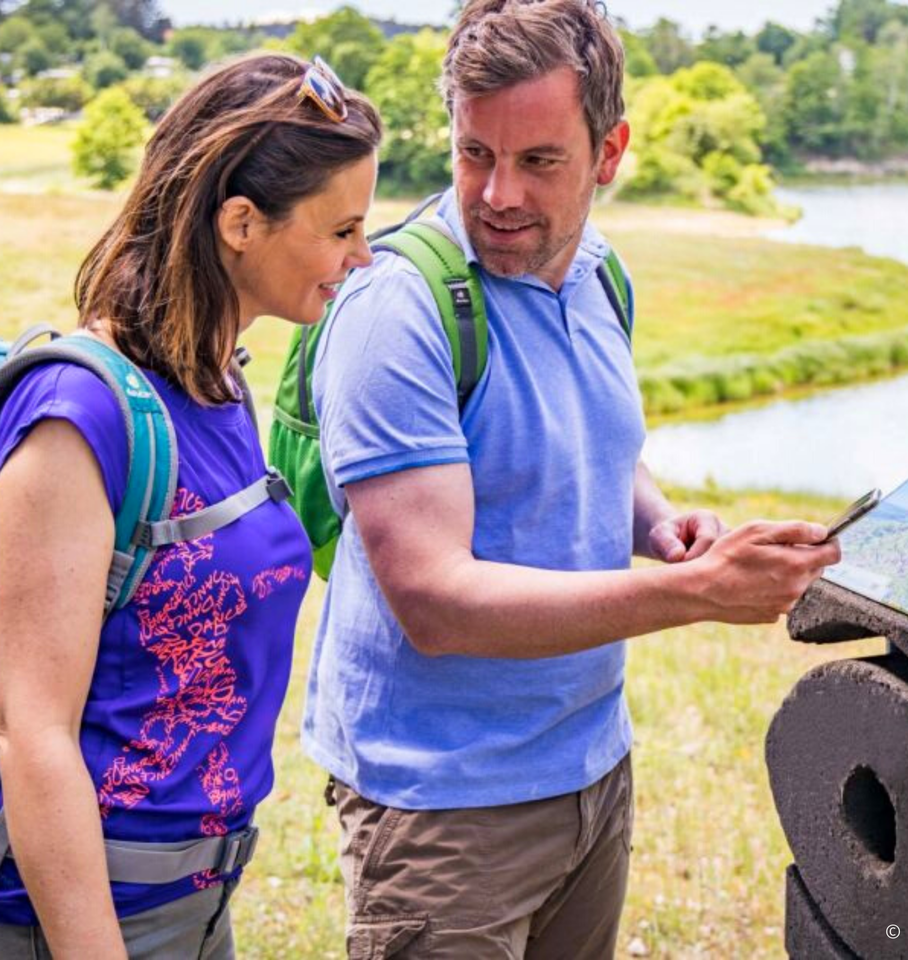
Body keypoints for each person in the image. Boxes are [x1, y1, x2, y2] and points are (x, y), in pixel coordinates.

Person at [302, 2, 840, 957]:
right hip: (443, 805)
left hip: (591, 769)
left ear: (610, 150)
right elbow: (436, 601)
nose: (498, 193)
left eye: (539, 161)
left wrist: (662, 523)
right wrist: (694, 593)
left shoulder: (596, 275)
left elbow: (594, 441)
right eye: (475, 155)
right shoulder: (398, 310)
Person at [0, 53, 380, 958]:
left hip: (196, 906)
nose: (360, 259)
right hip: (77, 923)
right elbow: (30, 732)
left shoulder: (218, 383)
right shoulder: (81, 417)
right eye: (343, 230)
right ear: (242, 222)